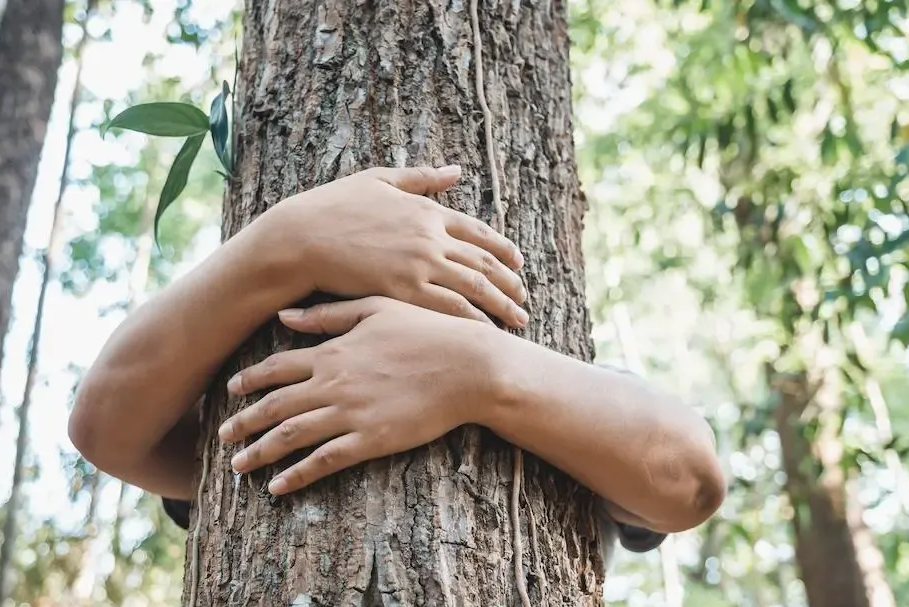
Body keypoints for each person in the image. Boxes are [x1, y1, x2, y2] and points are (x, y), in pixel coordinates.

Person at [68, 165, 726, 560]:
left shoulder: (583, 409)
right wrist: (292, 241)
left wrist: (475, 369)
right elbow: (103, 425)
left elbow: (688, 478)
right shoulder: (240, 398)